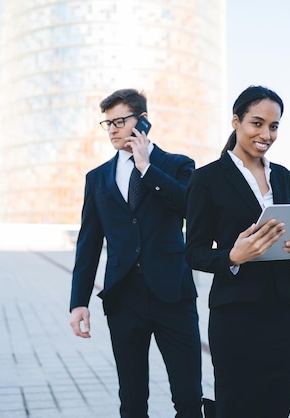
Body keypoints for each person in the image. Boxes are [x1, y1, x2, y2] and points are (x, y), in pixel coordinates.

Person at [184, 85, 290, 418]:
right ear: (236, 122)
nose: (266, 134)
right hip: (235, 314)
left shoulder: (283, 176)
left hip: (284, 311)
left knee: (278, 403)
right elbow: (193, 252)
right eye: (257, 123)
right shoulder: (206, 179)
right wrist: (232, 256)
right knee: (237, 404)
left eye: (274, 126)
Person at [69, 88, 203, 418]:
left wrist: (146, 168)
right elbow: (88, 244)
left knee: (188, 398)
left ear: (142, 121)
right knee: (131, 401)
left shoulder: (178, 165)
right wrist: (78, 302)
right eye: (108, 123)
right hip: (123, 299)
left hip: (173, 295)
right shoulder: (97, 178)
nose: (112, 129)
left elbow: (190, 207)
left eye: (120, 121)